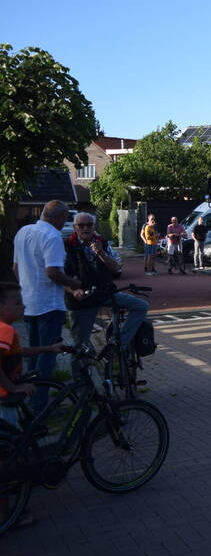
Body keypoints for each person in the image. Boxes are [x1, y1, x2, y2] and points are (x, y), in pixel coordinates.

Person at [0, 282, 65, 529]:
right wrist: (14, 387)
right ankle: (9, 515)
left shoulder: (7, 331)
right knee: (7, 459)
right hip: (5, 401)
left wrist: (48, 348)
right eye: (16, 303)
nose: (22, 306)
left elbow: (19, 352)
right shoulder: (5, 331)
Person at [12, 200, 82, 411]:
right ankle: (39, 406)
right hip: (49, 305)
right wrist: (74, 283)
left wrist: (26, 287)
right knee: (48, 355)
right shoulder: (52, 236)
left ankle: (28, 397)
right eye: (64, 219)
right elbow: (52, 272)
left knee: (33, 354)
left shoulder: (23, 232)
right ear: (59, 218)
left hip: (29, 302)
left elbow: (15, 268)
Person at [64, 213, 150, 350]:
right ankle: (83, 368)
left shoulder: (102, 243)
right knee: (80, 347)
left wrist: (101, 253)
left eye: (89, 225)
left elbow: (116, 269)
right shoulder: (67, 246)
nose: (85, 228)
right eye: (81, 225)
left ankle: (119, 346)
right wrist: (74, 291)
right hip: (83, 300)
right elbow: (60, 277)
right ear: (75, 228)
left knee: (141, 306)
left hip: (105, 293)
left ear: (94, 226)